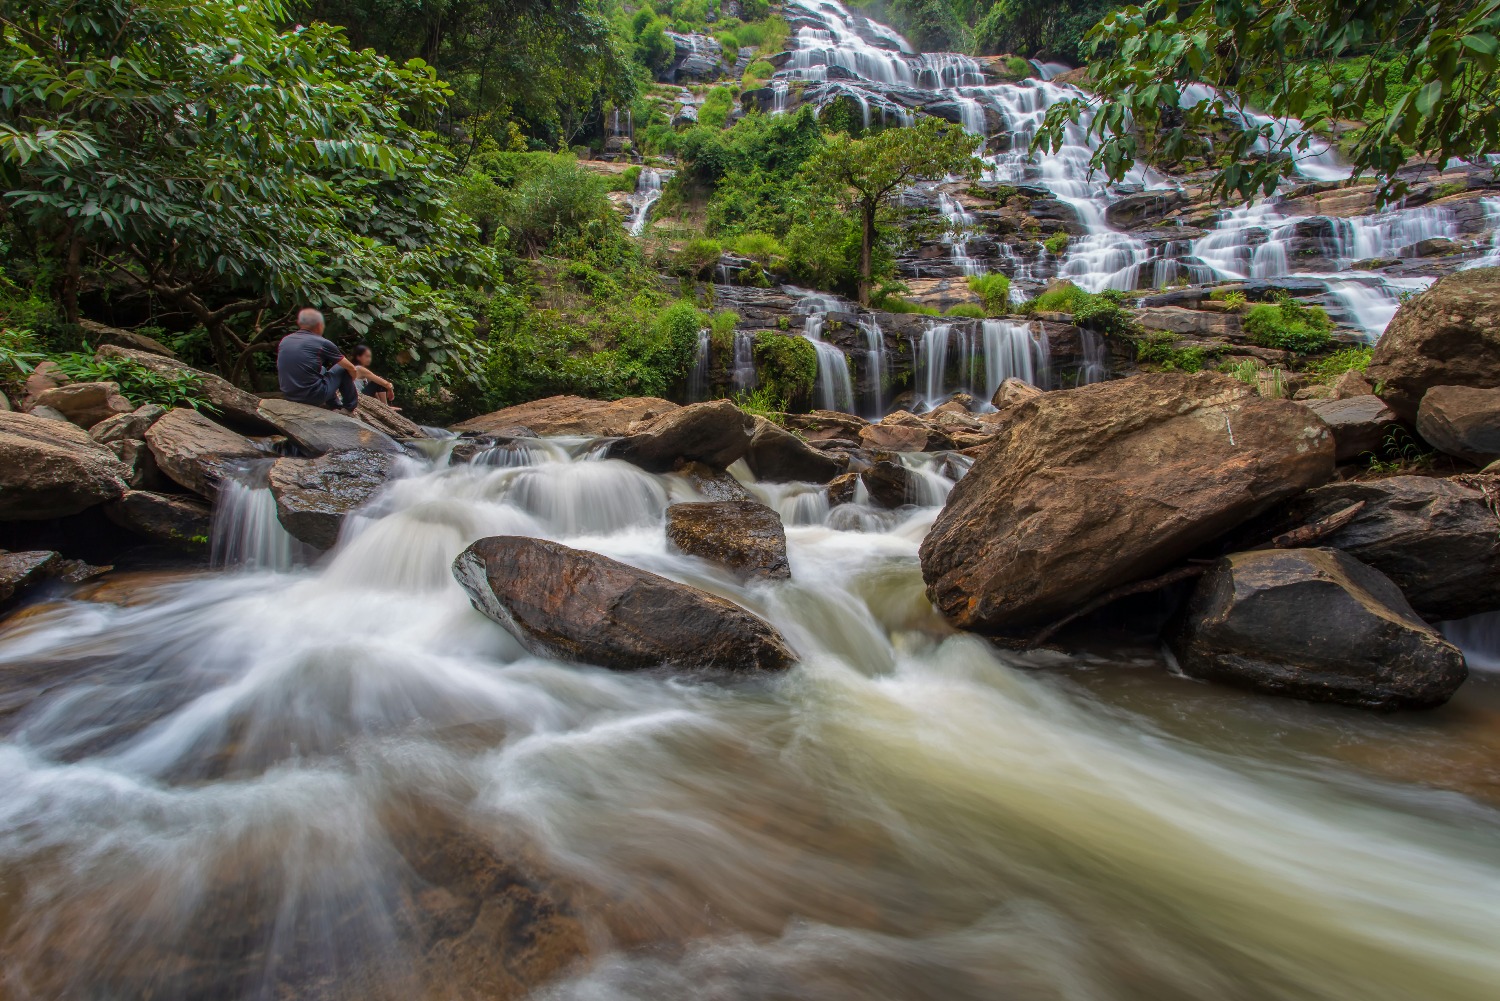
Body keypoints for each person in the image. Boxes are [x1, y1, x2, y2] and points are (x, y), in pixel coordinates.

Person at [276, 308, 358, 414]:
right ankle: (349, 408)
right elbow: (351, 368)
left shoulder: (285, 340)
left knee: (322, 369)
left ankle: (335, 406)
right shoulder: (322, 343)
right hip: (313, 396)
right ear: (320, 325)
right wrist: (352, 377)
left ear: (299, 323)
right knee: (343, 368)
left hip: (289, 395)